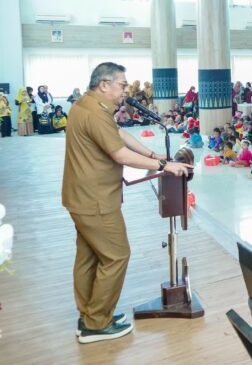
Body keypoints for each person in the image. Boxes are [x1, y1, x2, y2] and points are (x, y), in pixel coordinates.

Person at [62, 62, 192, 344]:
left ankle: (89, 316)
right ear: (104, 84)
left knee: (88, 257)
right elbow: (120, 154)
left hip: (81, 196)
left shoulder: (86, 105)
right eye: (122, 85)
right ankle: (96, 324)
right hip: (96, 199)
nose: (126, 90)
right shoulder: (95, 113)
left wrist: (152, 154)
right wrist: (164, 165)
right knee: (117, 255)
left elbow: (118, 134)